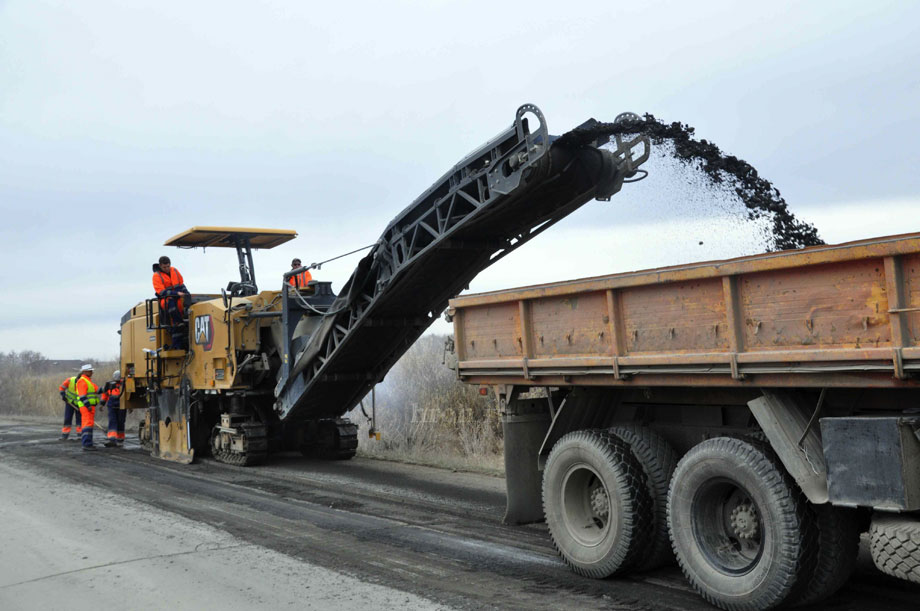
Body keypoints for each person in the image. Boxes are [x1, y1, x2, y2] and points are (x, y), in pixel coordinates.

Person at [152, 255, 190, 349]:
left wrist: (186, 293)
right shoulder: (156, 276)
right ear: (160, 266)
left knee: (189, 303)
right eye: (164, 267)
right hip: (165, 300)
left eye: (168, 266)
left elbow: (181, 284)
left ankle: (181, 323)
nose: (167, 269)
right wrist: (176, 293)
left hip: (178, 299)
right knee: (171, 304)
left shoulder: (175, 271)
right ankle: (178, 322)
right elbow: (161, 292)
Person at [67, 364, 100, 450]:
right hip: (86, 407)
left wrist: (107, 387)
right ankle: (86, 444)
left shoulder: (88, 381)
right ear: (85, 372)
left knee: (89, 424)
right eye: (90, 371)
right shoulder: (82, 381)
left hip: (89, 407)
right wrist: (88, 405)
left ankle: (88, 443)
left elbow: (98, 390)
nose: (92, 372)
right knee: (87, 425)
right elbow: (82, 396)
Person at [101, 370, 125, 448]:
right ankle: (112, 439)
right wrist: (102, 404)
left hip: (121, 406)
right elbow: (105, 395)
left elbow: (128, 395)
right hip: (113, 406)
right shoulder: (109, 384)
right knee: (113, 421)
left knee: (120, 421)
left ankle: (119, 439)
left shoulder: (125, 384)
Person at [58, 374, 83, 440]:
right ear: (77, 379)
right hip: (69, 403)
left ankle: (80, 435)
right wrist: (63, 395)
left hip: (80, 404)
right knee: (67, 418)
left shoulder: (84, 383)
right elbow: (61, 388)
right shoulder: (70, 380)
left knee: (80, 419)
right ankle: (65, 435)